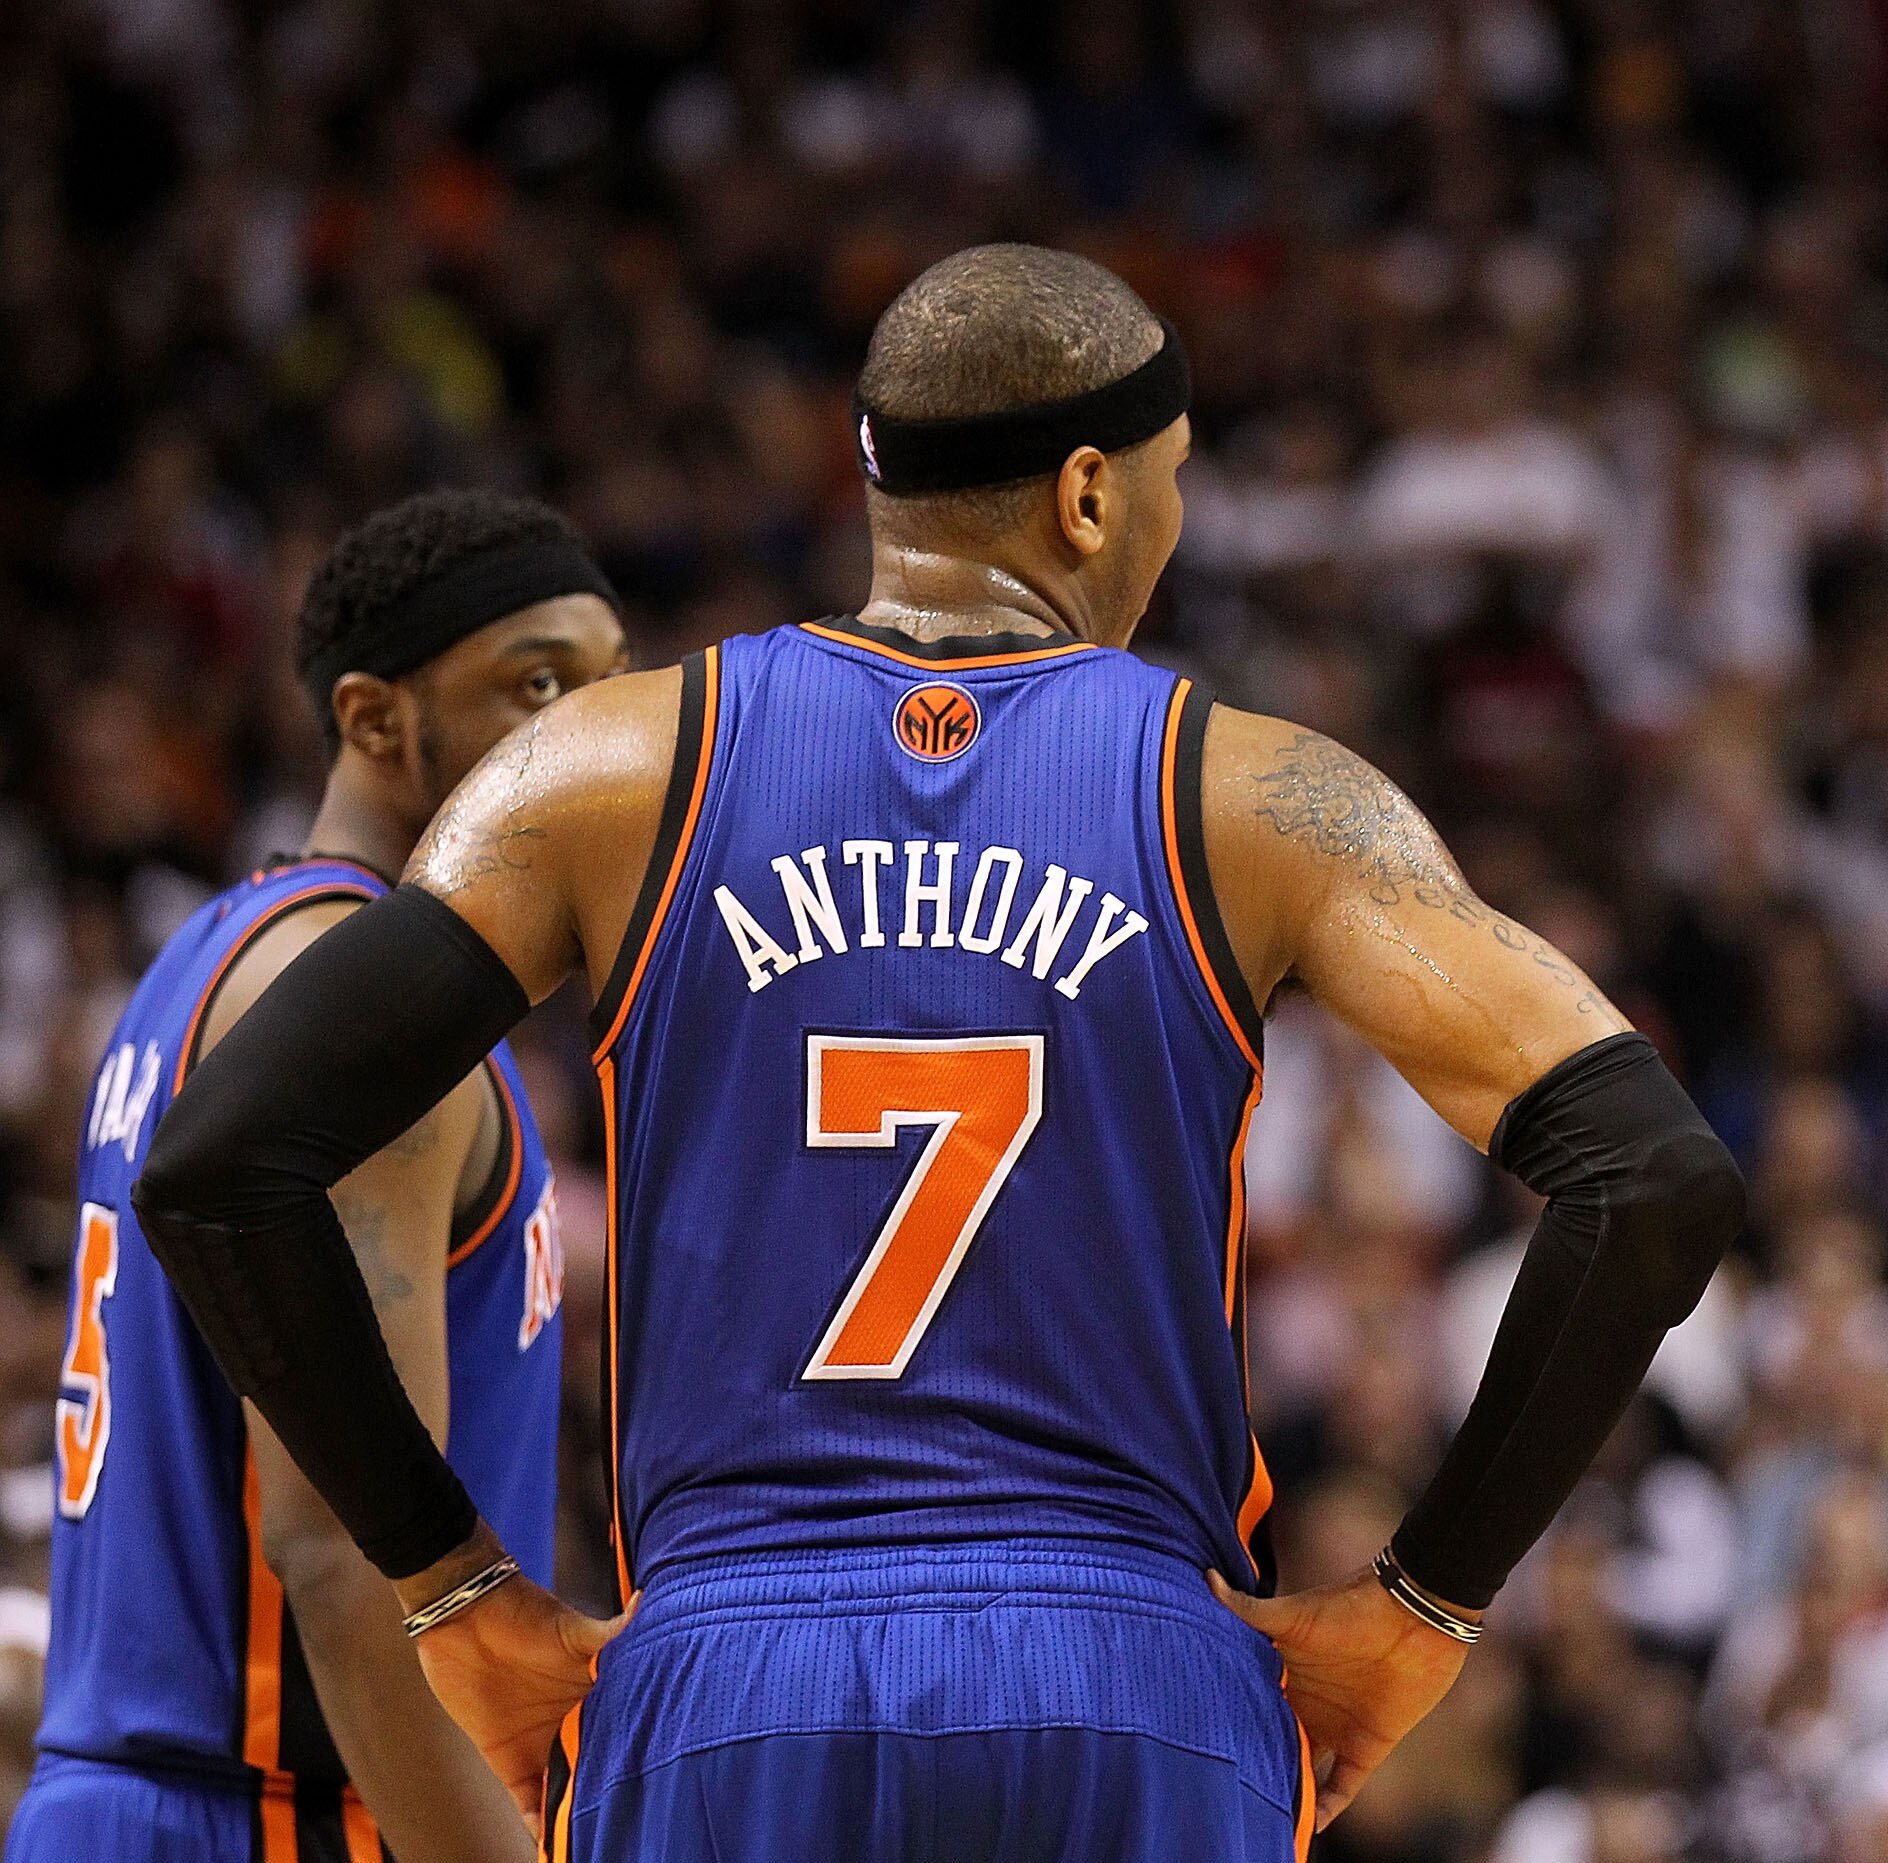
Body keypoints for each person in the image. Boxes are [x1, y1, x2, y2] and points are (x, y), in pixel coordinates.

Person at [130, 244, 1744, 1862]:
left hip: (725, 1681)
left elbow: (217, 1162)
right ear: (1096, 493)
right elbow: (1651, 1173)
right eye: (1177, 489)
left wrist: (448, 1576)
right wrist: (1425, 1599)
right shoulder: (1256, 795)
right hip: (1132, 1674)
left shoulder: (607, 767)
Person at [8, 491, 627, 1862]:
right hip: (269, 1812)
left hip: (130, 1795)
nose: (591, 731)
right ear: (373, 719)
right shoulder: (359, 1024)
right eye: (536, 683)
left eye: (609, 684)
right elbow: (344, 1559)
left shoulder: (215, 961)